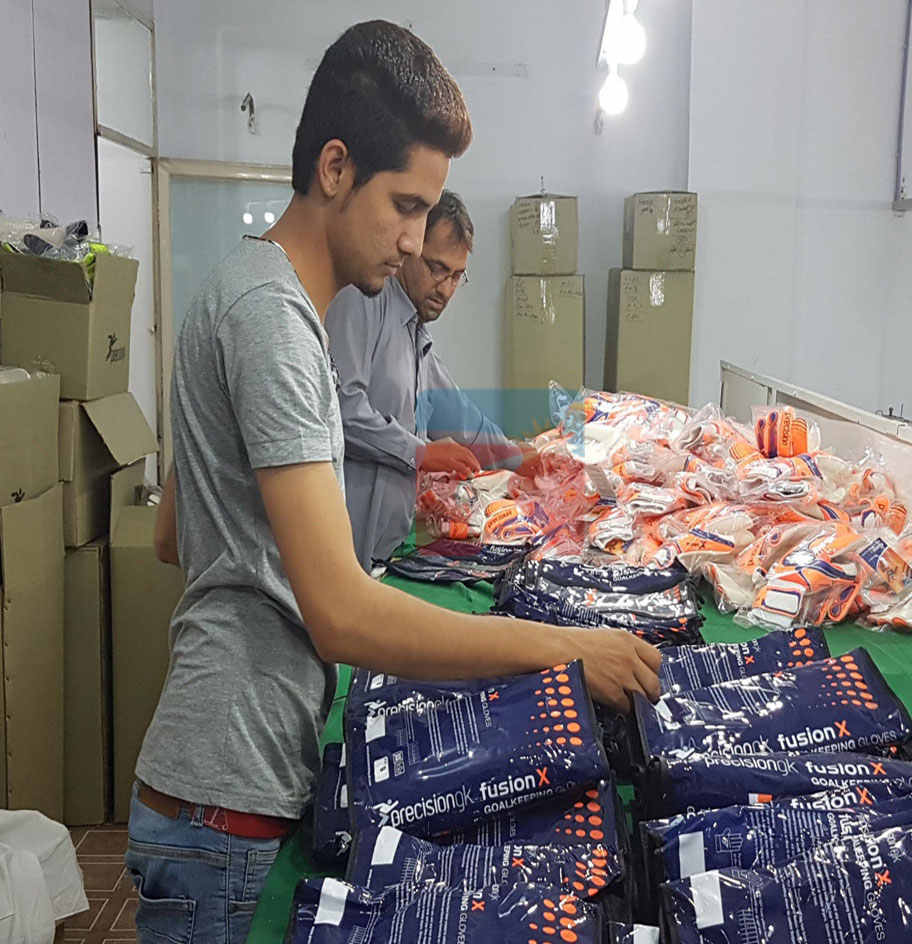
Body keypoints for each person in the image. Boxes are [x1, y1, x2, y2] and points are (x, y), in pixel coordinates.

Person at [131, 20, 661, 944]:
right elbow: (341, 615)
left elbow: (171, 534)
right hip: (225, 797)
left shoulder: (237, 292)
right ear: (335, 168)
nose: (415, 243)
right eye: (406, 207)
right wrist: (564, 649)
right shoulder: (276, 325)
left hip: (209, 774)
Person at [328, 189, 520, 571]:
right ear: (410, 247)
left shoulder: (413, 331)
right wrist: (420, 453)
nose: (446, 289)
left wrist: (520, 456)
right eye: (436, 268)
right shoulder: (362, 300)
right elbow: (341, 408)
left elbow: (459, 416)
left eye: (457, 276)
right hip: (344, 549)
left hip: (385, 553)